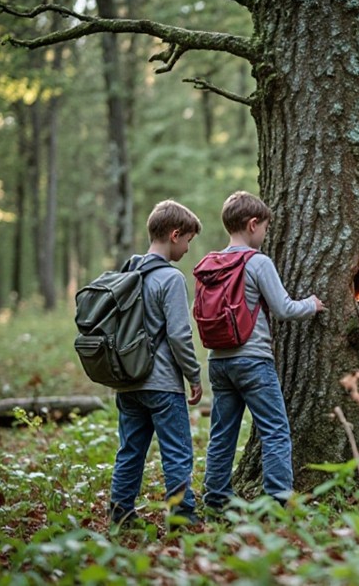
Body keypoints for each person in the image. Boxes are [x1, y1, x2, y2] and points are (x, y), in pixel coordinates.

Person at [202, 191, 325, 511]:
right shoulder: (257, 262)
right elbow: (284, 309)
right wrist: (311, 304)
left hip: (219, 361)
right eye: (266, 228)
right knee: (275, 431)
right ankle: (278, 503)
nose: (266, 235)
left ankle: (215, 502)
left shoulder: (212, 265)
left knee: (222, 435)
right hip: (253, 360)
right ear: (253, 224)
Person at [109, 200, 204, 527]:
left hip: (127, 382)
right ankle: (182, 518)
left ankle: (120, 515)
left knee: (130, 452)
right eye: (188, 240)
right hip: (162, 383)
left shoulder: (128, 272)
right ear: (174, 234)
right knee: (177, 453)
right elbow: (179, 335)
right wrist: (194, 375)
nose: (188, 248)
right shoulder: (170, 278)